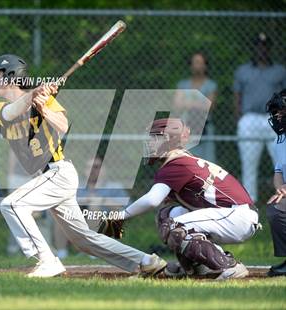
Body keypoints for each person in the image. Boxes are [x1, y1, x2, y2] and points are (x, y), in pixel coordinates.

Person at [0, 54, 166, 278]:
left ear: (11, 76)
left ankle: (47, 260)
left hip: (58, 173)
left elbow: (62, 126)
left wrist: (44, 108)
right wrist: (33, 95)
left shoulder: (45, 101)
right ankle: (146, 260)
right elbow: (11, 112)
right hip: (45, 179)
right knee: (84, 240)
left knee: (11, 205)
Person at [102, 118, 259, 280]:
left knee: (175, 227)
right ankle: (198, 268)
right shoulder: (181, 160)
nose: (149, 143)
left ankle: (228, 265)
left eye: (155, 138)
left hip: (238, 217)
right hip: (233, 215)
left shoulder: (176, 164)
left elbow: (151, 200)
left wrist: (119, 216)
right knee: (168, 215)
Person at [234, 33, 286, 202]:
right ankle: (250, 202)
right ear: (254, 48)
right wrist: (238, 116)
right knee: (249, 163)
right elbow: (237, 95)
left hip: (274, 118)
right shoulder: (243, 70)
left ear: (269, 48)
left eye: (264, 45)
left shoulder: (279, 70)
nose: (261, 49)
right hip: (249, 118)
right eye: (258, 45)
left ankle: (283, 197)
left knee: (281, 161)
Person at [175, 52, 218, 162]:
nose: (196, 65)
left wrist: (190, 103)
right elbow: (177, 104)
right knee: (187, 163)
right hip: (187, 128)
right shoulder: (183, 84)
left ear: (205, 65)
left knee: (207, 163)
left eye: (199, 62)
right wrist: (201, 103)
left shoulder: (211, 85)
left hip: (205, 128)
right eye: (194, 63)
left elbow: (210, 106)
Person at [266, 89, 286, 277]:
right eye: (276, 112)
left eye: (281, 111)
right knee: (276, 207)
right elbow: (278, 171)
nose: (278, 116)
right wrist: (281, 188)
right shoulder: (281, 139)